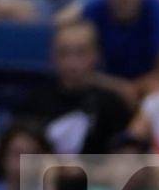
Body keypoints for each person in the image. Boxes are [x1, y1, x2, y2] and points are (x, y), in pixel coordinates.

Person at [38, 20, 135, 157]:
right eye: (64, 53)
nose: (72, 63)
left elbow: (123, 161)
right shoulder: (35, 103)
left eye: (81, 53)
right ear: (52, 56)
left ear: (96, 55)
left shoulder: (113, 106)